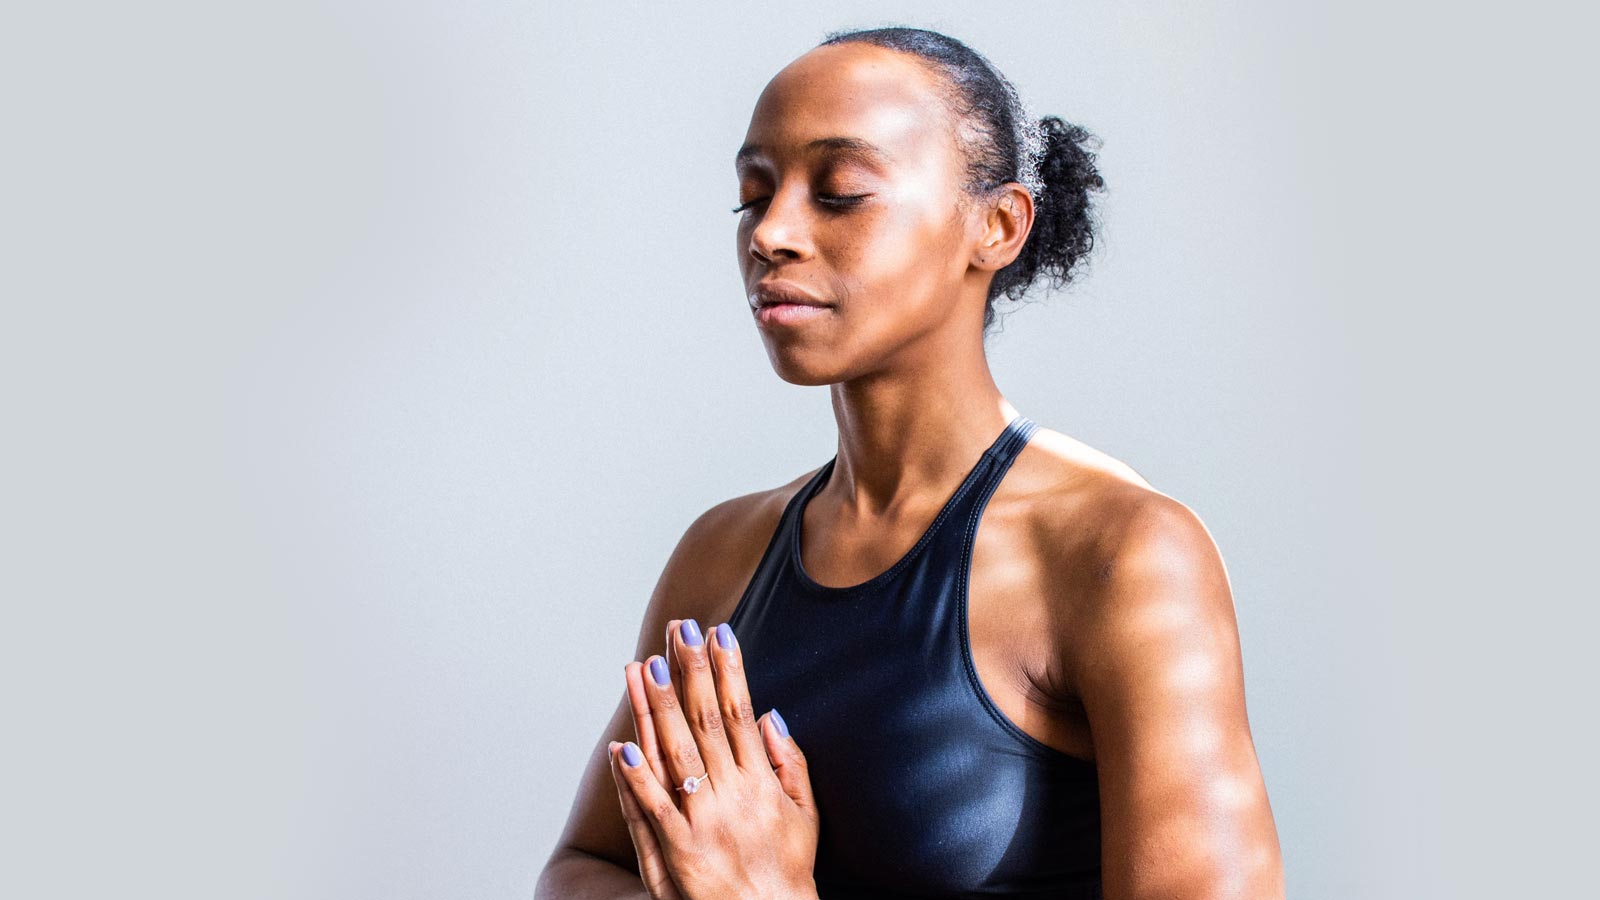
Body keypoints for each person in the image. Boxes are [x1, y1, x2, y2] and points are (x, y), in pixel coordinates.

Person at [536, 25, 1284, 900]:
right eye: (753, 194)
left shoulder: (1122, 556)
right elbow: (581, 869)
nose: (772, 233)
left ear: (997, 226)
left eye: (841, 192)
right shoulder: (722, 556)